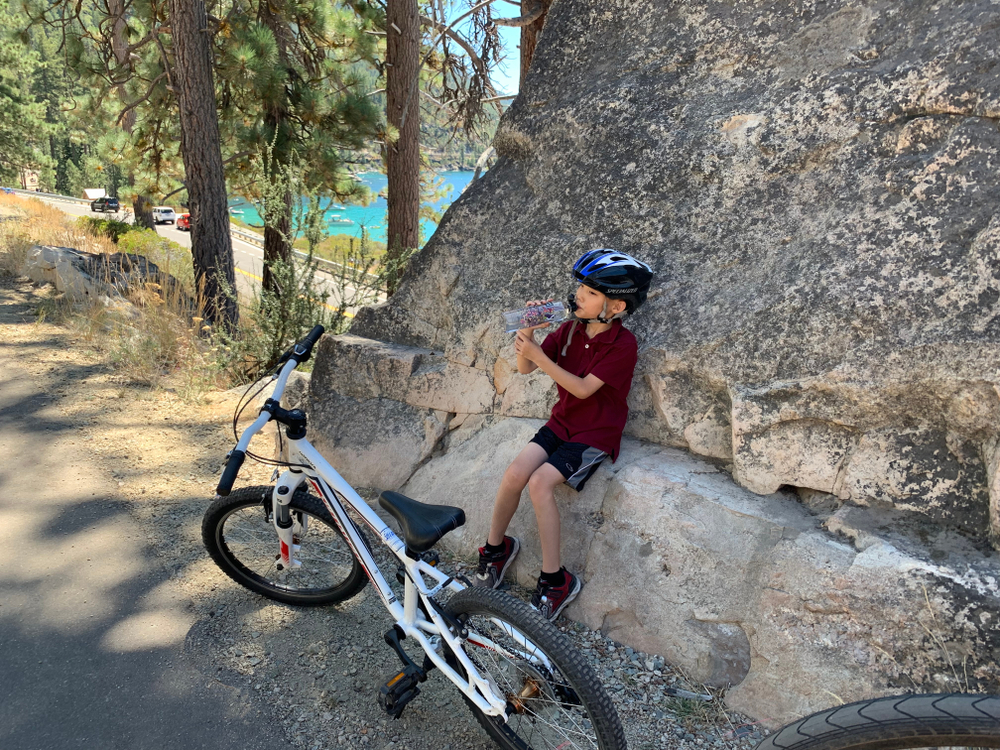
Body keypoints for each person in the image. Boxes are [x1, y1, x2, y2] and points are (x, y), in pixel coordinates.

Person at [475, 249, 654, 620]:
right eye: (580, 290)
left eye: (589, 294)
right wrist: (527, 327)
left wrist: (541, 357)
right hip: (562, 422)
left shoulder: (624, 345)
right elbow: (525, 367)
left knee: (540, 483)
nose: (578, 298)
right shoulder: (570, 328)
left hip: (594, 433)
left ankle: (555, 581)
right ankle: (496, 550)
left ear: (616, 306)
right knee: (514, 474)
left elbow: (584, 389)